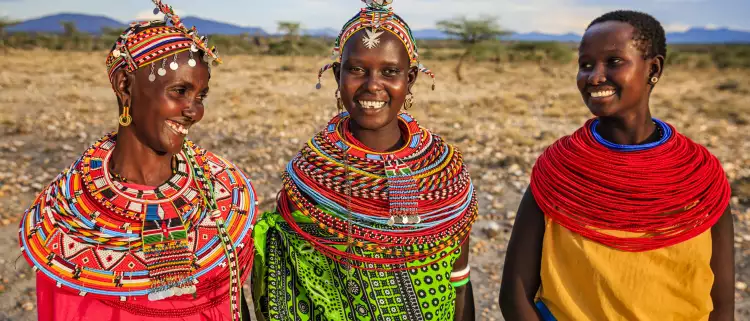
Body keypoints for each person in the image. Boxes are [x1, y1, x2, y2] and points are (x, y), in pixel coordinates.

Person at [18, 1, 258, 320]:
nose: (195, 111)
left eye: (201, 96)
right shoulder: (66, 216)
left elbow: (231, 305)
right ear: (125, 87)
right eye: (180, 91)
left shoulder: (220, 193)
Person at [499, 10, 734, 321]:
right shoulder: (559, 170)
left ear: (654, 68)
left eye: (613, 62)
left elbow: (722, 307)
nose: (595, 76)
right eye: (585, 65)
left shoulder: (699, 176)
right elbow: (514, 296)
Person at [251, 1, 477, 320]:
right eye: (357, 69)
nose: (372, 85)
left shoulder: (444, 174)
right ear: (336, 75)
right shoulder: (310, 178)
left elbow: (460, 285)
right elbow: (288, 285)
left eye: (389, 72)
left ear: (410, 78)